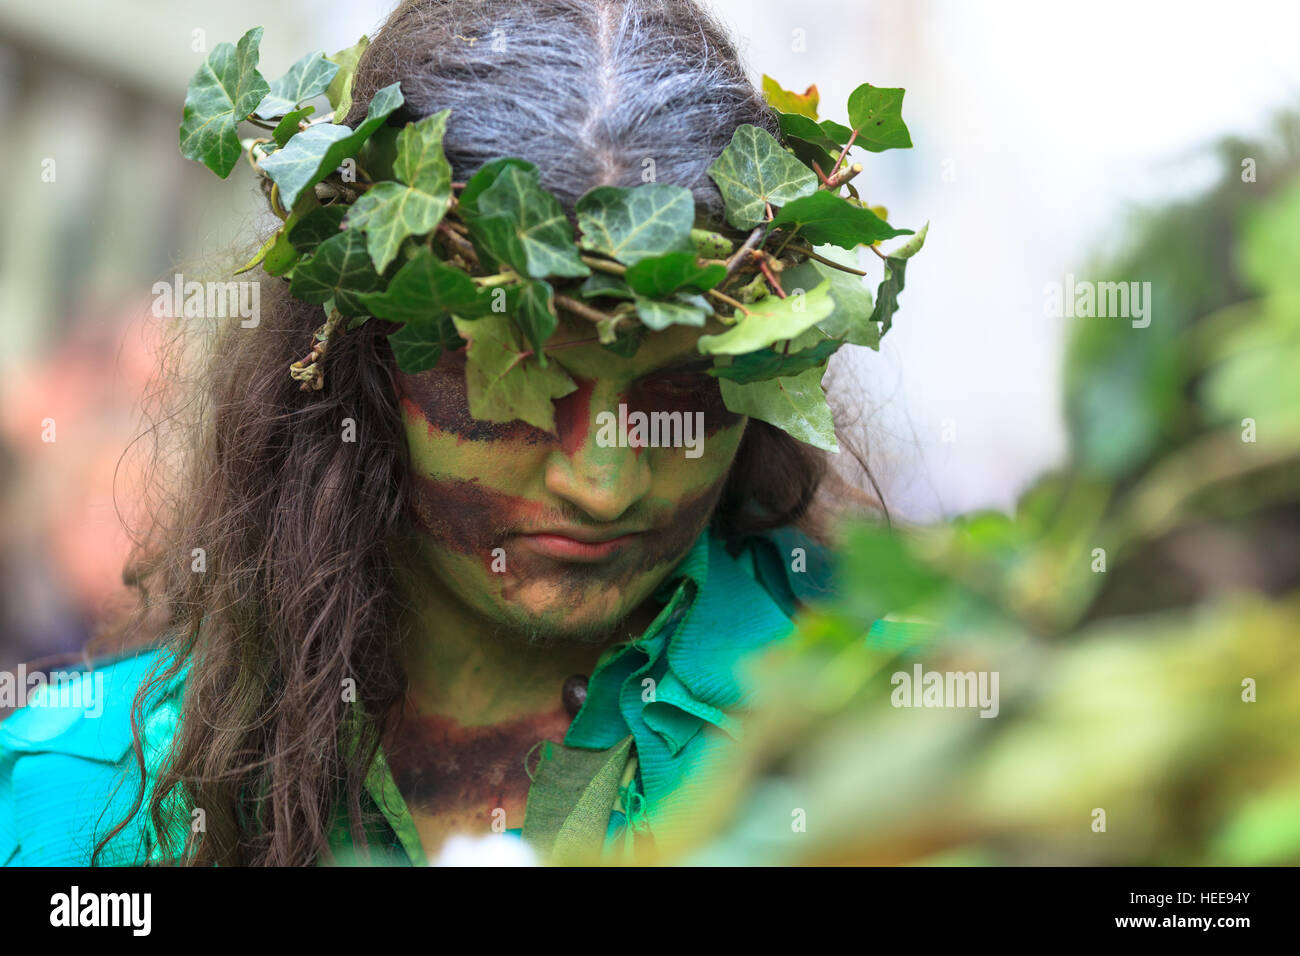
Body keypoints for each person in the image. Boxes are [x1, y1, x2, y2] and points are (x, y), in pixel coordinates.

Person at [0, 0, 908, 866]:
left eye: (682, 397)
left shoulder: (896, 734)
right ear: (362, 358)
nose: (604, 482)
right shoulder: (78, 797)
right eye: (520, 384)